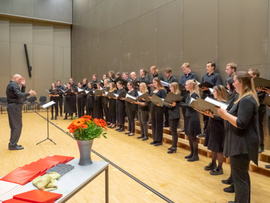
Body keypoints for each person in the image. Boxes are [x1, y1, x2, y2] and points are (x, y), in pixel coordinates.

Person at [217, 71, 260, 203]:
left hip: (242, 145)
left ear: (242, 83)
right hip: (240, 143)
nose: (233, 83)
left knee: (240, 179)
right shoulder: (243, 98)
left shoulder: (247, 99)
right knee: (242, 177)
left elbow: (241, 123)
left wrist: (224, 115)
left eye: (235, 81)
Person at [199, 85, 227, 175]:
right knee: (213, 147)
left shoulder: (224, 103)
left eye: (214, 91)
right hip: (212, 126)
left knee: (218, 148)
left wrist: (211, 115)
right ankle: (213, 163)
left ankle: (220, 167)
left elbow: (223, 118)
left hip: (219, 128)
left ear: (219, 92)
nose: (213, 93)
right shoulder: (214, 101)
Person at [6, 74, 36, 150]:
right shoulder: (14, 85)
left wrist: (23, 86)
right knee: (17, 126)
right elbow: (20, 95)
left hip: (13, 107)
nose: (20, 81)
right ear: (15, 78)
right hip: (15, 107)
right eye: (19, 79)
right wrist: (29, 93)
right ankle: (13, 145)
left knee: (14, 126)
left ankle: (12, 143)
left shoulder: (12, 84)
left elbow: (20, 96)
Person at [222, 76, 239, 193]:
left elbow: (232, 112)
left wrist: (224, 112)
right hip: (230, 128)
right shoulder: (232, 95)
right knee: (233, 161)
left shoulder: (237, 97)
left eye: (228, 84)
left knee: (237, 165)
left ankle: (234, 184)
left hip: (235, 130)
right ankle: (232, 178)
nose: (227, 86)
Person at [199, 62, 222, 138]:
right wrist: (201, 88)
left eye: (208, 66)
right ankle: (205, 132)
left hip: (212, 97)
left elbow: (218, 87)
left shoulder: (216, 76)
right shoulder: (204, 76)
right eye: (206, 66)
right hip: (204, 96)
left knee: (211, 115)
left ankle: (210, 134)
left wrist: (208, 88)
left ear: (213, 67)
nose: (207, 68)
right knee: (205, 115)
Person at [181, 79, 201, 161]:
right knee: (189, 135)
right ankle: (192, 153)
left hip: (193, 117)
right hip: (188, 116)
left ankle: (196, 155)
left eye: (187, 85)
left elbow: (190, 106)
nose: (185, 86)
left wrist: (179, 104)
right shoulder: (189, 94)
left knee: (193, 137)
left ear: (191, 85)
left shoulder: (194, 95)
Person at [248, 68, 266, 153]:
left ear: (254, 76)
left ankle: (260, 145)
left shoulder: (261, 84)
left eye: (249, 75)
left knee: (258, 127)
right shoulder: (250, 84)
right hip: (251, 108)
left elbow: (261, 98)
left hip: (259, 109)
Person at [179, 63, 198, 133]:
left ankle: (189, 127)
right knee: (184, 112)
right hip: (184, 94)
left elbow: (194, 84)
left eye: (185, 69)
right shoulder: (183, 77)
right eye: (183, 69)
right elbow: (181, 83)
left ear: (188, 68)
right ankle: (185, 127)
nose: (184, 71)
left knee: (189, 109)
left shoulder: (193, 75)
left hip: (190, 94)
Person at [164, 82, 181, 154]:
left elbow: (171, 105)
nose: (170, 88)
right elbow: (167, 103)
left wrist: (166, 103)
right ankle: (173, 145)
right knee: (172, 131)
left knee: (174, 132)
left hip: (174, 115)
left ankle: (174, 147)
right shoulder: (171, 94)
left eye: (171, 87)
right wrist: (167, 103)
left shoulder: (177, 95)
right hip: (171, 114)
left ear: (174, 87)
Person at [150, 77, 167, 146]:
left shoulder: (162, 90)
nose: (154, 84)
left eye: (155, 82)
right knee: (153, 123)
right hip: (153, 107)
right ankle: (155, 138)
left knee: (158, 124)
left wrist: (159, 102)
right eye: (153, 82)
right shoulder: (153, 90)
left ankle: (159, 140)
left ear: (158, 82)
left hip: (159, 108)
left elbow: (164, 100)